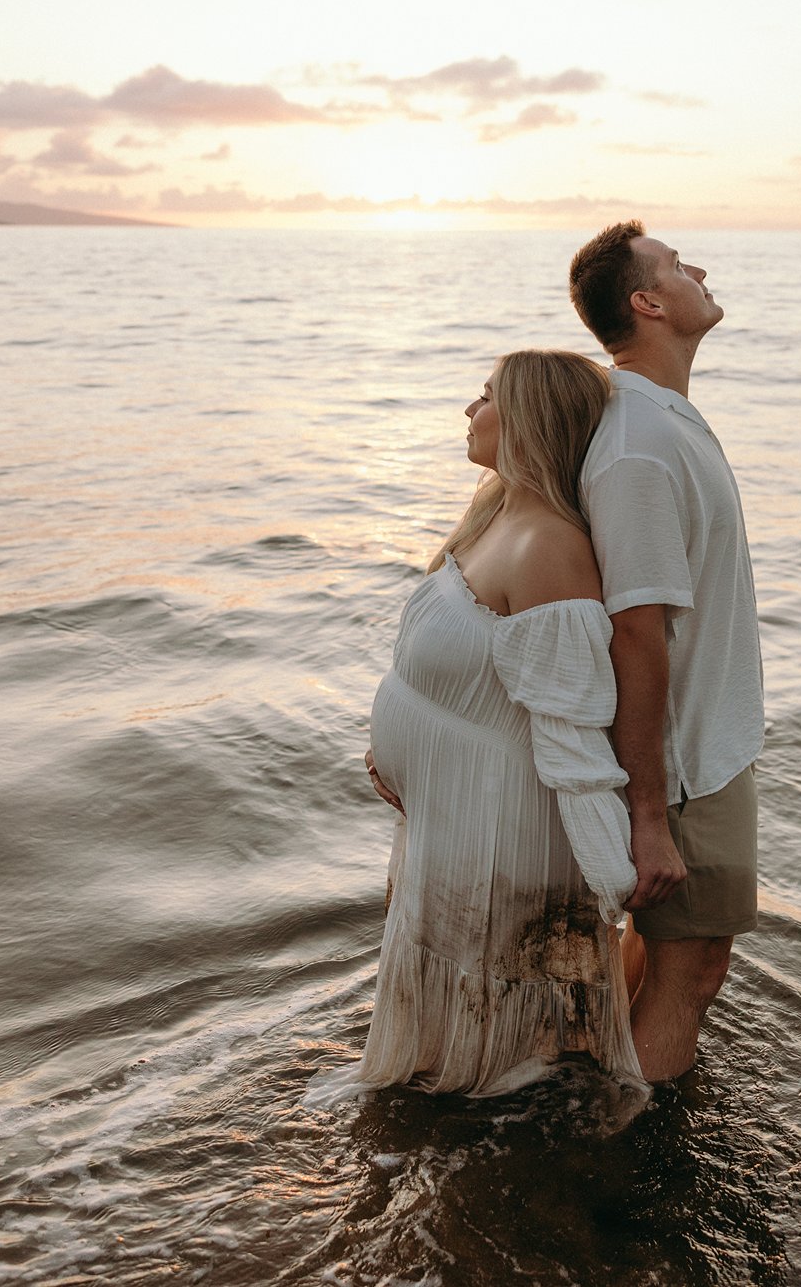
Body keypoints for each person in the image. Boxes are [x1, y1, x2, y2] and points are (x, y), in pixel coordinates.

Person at [306, 350, 644, 1104]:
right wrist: (397, 758)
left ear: (527, 419)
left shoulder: (551, 545)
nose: (469, 409)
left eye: (485, 397)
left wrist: (618, 866)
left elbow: (574, 722)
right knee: (460, 1035)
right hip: (451, 817)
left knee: (505, 1048)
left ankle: (506, 1160)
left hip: (502, 827)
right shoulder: (494, 518)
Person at [568, 222, 765, 1083]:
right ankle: (631, 1165)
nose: (700, 269)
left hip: (704, 752)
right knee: (694, 968)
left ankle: (591, 1097)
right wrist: (650, 816)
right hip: (683, 766)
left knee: (657, 963)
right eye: (679, 265)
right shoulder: (639, 444)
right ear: (647, 302)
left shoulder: (657, 419)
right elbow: (633, 630)